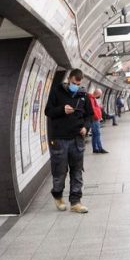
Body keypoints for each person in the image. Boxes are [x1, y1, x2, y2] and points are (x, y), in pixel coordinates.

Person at [44, 69, 92, 213]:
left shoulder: (83, 95)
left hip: (77, 139)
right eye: (73, 83)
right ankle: (58, 195)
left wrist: (86, 127)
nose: (75, 86)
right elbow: (48, 111)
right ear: (69, 79)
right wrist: (62, 110)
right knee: (60, 171)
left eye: (78, 84)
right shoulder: (57, 91)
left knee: (77, 171)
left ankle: (75, 202)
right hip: (59, 139)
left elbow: (89, 115)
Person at [88, 89, 108, 154]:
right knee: (97, 134)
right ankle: (100, 148)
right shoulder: (91, 99)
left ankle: (95, 148)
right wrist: (98, 117)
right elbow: (93, 109)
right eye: (100, 95)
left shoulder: (93, 98)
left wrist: (100, 107)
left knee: (94, 134)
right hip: (94, 119)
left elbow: (95, 107)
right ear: (97, 94)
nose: (100, 96)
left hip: (94, 119)